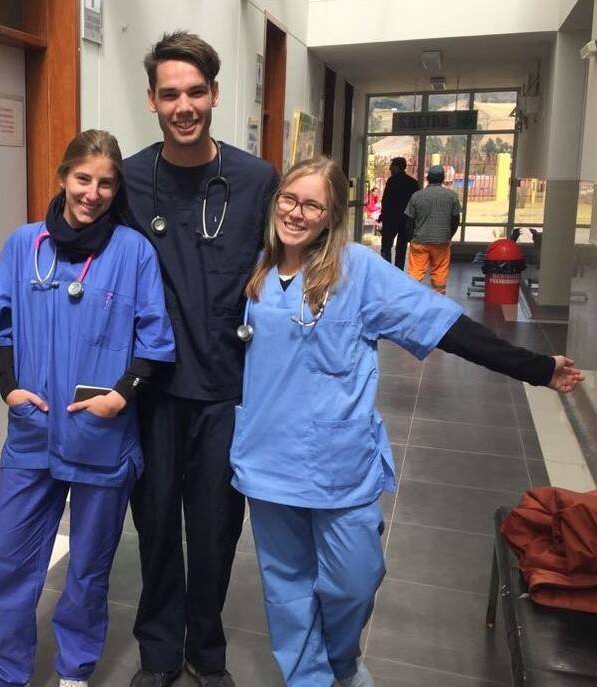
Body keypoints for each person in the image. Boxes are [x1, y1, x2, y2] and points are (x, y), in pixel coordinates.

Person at [231, 156, 584, 687]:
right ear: (275, 199)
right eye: (289, 199)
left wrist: (534, 367)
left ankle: (341, 661)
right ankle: (309, 678)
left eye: (312, 205)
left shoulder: (358, 270)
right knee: (286, 584)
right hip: (266, 457)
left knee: (355, 577)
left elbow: (444, 326)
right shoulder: (255, 269)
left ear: (331, 216)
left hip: (337, 461)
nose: (296, 213)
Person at [0, 130, 175, 687]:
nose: (93, 192)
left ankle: (74, 670)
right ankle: (5, 671)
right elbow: (1, 326)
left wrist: (120, 396)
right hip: (33, 431)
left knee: (88, 569)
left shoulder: (133, 251)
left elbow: (154, 341)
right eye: (83, 178)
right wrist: (9, 388)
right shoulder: (25, 245)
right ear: (63, 176)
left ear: (117, 189)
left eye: (106, 182)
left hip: (101, 435)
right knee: (7, 559)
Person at [120, 31, 278, 687]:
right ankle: (159, 653)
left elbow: (295, 267)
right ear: (153, 100)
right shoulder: (129, 179)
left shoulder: (254, 179)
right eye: (169, 94)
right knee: (155, 529)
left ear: (213, 93)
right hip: (153, 390)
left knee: (214, 532)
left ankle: (205, 651)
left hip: (226, 388)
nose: (183, 105)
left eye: (194, 92)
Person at [405, 164, 461, 294]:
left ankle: (412, 299)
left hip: (419, 241)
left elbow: (409, 219)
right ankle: (439, 297)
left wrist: (411, 238)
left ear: (428, 178)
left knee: (415, 273)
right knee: (440, 271)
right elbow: (455, 220)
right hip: (441, 241)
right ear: (443, 178)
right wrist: (448, 235)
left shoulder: (417, 196)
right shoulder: (451, 196)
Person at [378, 157, 418, 268]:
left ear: (396, 167)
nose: (390, 169)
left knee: (386, 245)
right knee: (402, 246)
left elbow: (386, 200)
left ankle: (387, 269)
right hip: (406, 219)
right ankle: (398, 270)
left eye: (391, 166)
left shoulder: (392, 181)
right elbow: (415, 203)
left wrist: (382, 215)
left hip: (391, 218)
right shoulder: (413, 182)